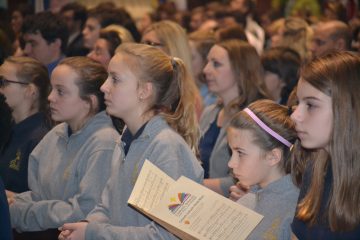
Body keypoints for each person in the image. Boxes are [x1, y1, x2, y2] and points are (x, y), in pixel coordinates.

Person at [58, 42, 204, 240]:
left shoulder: (166, 148)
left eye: (115, 79)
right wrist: (86, 225)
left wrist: (93, 233)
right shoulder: (126, 139)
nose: (104, 87)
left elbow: (166, 236)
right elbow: (106, 206)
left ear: (144, 90)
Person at [9, 57, 119, 239]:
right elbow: (39, 195)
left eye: (61, 91)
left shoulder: (104, 143)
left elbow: (83, 212)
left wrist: (17, 212)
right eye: (52, 89)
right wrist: (12, 202)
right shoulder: (56, 134)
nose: (51, 97)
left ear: (89, 102)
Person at [290, 51, 360, 239]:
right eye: (298, 103)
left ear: (346, 109)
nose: (294, 115)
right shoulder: (315, 166)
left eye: (310, 105)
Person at [200, 39, 269, 196]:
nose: (206, 70)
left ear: (241, 71)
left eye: (216, 64)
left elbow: (244, 181)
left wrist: (190, 183)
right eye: (207, 62)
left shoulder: (256, 120)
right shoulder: (210, 111)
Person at [228, 99, 298, 239]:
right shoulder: (249, 197)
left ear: (272, 156)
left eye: (240, 153)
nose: (231, 163)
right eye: (231, 152)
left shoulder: (294, 212)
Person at [0, 57, 52, 194]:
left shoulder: (40, 139)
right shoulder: (9, 127)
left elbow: (38, 199)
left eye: (3, 82)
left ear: (30, 91)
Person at [142, 20, 203, 119]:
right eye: (142, 43)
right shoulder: (149, 85)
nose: (142, 49)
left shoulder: (186, 98)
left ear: (171, 47)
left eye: (149, 43)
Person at [21, 11, 69, 76]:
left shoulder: (68, 78)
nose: (26, 50)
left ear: (55, 44)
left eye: (33, 44)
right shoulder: (31, 72)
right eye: (25, 43)